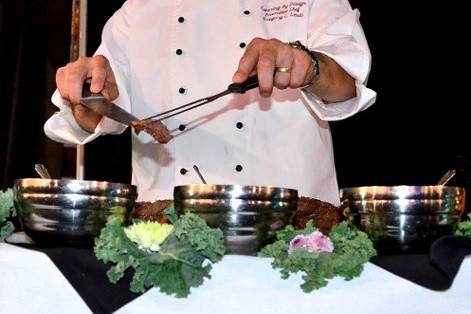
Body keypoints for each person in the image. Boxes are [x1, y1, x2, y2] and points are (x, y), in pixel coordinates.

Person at [45, 0, 376, 205]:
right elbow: (98, 111)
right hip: (167, 233)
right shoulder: (136, 12)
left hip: (294, 224)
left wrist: (310, 67)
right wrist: (86, 93)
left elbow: (348, 84)